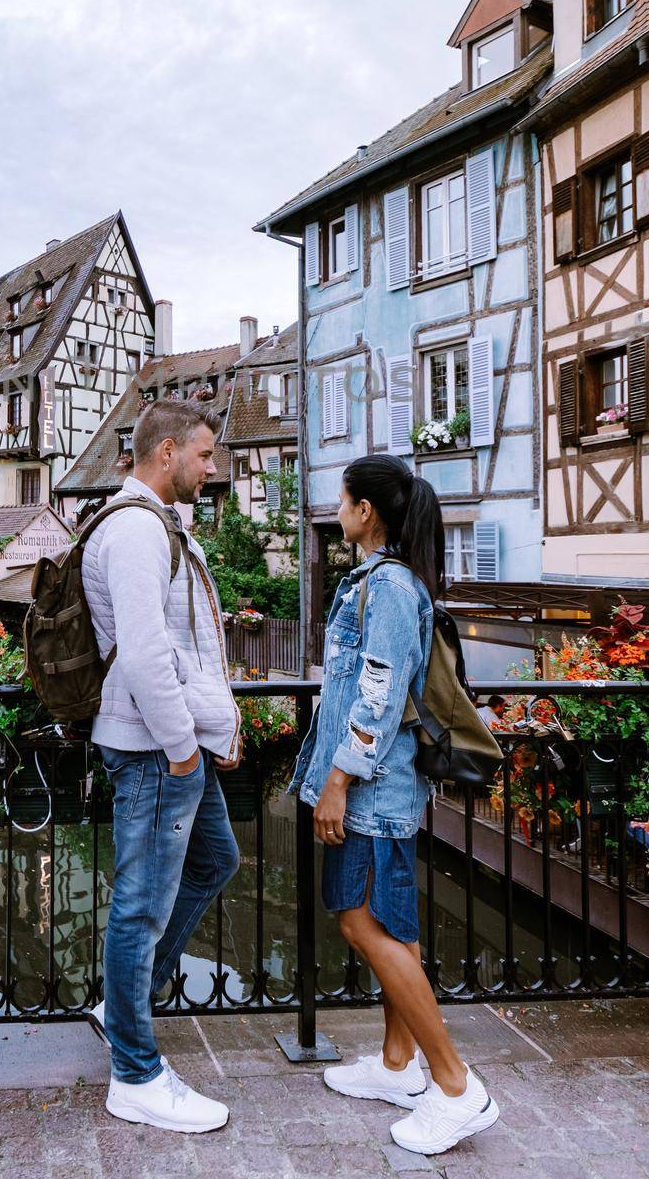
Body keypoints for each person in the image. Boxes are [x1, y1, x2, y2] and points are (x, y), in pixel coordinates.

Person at [289, 454, 500, 1158]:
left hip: (373, 789)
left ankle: (454, 1087)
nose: (336, 508)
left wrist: (338, 781)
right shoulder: (388, 583)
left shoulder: (386, 589)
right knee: (390, 924)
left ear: (365, 512)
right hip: (384, 784)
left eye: (342, 498)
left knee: (361, 923)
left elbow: (376, 695)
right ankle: (395, 1066)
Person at [82, 399, 242, 1133]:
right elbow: (145, 652)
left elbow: (176, 645)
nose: (213, 469)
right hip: (153, 747)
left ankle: (122, 1005)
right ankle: (136, 1075)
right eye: (205, 456)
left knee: (214, 859)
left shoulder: (160, 527)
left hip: (171, 742)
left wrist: (200, 732)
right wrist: (183, 745)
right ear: (168, 451)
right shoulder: (137, 531)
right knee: (140, 904)